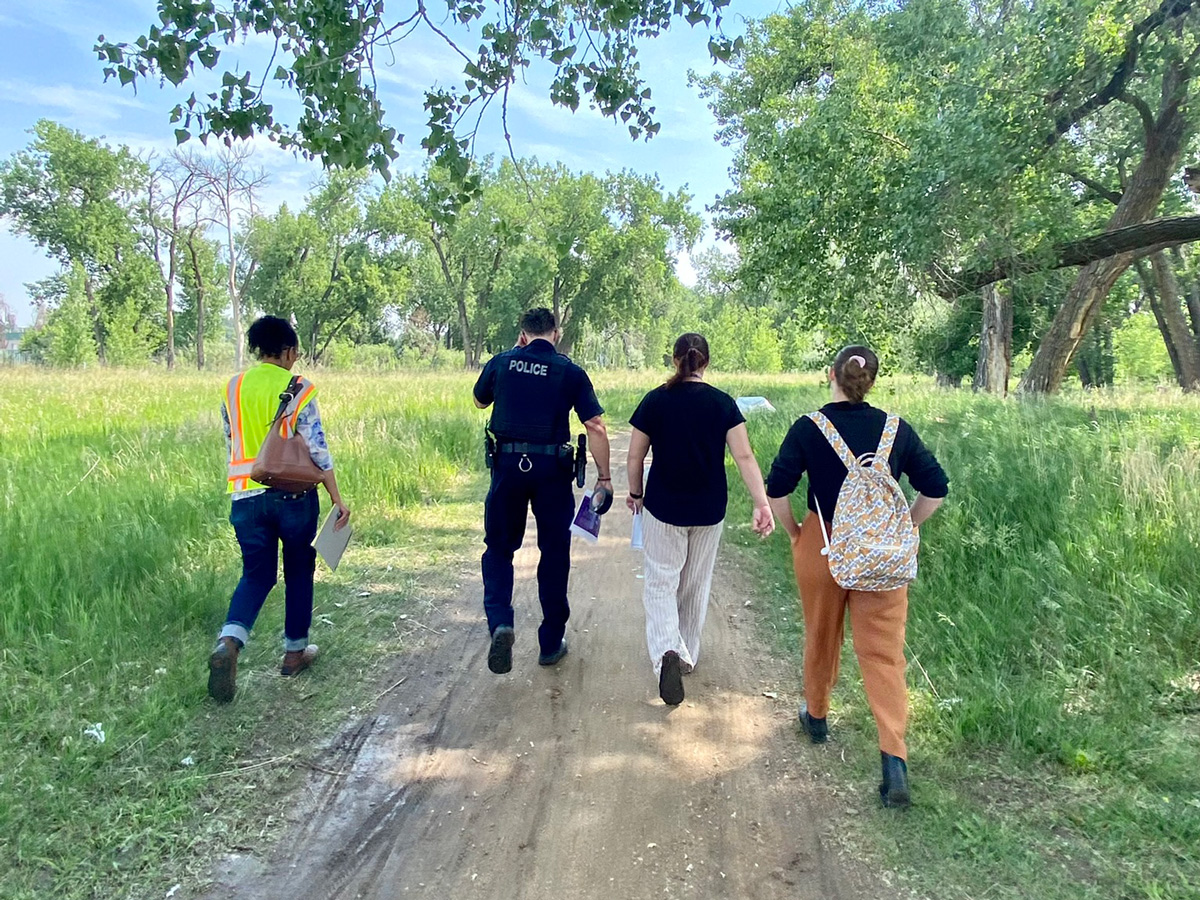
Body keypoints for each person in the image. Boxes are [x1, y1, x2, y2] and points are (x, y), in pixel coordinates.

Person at [765, 345, 947, 808]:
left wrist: (795, 533)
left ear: (831, 375)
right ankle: (893, 761)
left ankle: (817, 716)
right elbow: (936, 487)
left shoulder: (809, 427)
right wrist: (904, 525)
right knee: (884, 655)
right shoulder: (895, 429)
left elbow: (777, 489)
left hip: (822, 547)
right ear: (872, 382)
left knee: (821, 635)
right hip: (882, 560)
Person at [626, 333, 775, 706]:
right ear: (705, 362)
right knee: (694, 582)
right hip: (709, 509)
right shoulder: (723, 404)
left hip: (664, 506)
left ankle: (665, 655)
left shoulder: (656, 400)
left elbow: (634, 457)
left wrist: (635, 493)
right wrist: (762, 503)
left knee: (661, 581)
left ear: (675, 360)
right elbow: (744, 457)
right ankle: (686, 654)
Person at [208, 316, 351, 703]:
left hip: (244, 497)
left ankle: (229, 643)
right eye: (295, 352)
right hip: (293, 495)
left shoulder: (233, 388)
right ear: (287, 351)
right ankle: (294, 653)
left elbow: (230, 441)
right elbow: (318, 447)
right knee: (300, 571)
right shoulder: (298, 388)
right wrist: (337, 497)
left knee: (255, 575)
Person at [473, 307, 611, 674]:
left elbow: (480, 400)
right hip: (552, 471)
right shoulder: (570, 371)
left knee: (499, 548)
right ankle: (550, 643)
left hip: (507, 468)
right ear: (557, 333)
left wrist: (512, 360)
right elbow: (595, 426)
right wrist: (605, 478)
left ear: (522, 334)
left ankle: (501, 621)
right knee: (554, 553)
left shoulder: (501, 362)